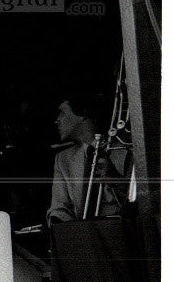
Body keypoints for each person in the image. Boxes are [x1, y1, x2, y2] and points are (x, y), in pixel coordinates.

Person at [47, 96, 129, 224]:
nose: (57, 120)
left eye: (62, 113)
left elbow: (144, 202)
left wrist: (117, 181)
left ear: (82, 115)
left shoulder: (124, 149)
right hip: (84, 235)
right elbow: (60, 208)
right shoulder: (63, 159)